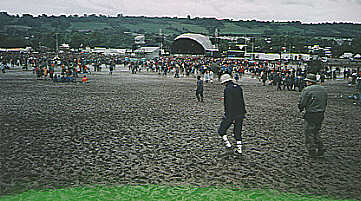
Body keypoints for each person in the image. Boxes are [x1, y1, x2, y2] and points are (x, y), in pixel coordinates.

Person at [298, 74, 328, 157]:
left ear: (309, 82)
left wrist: (301, 108)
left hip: (311, 113)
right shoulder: (323, 89)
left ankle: (312, 149)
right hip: (321, 113)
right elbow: (325, 101)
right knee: (316, 131)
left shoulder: (307, 90)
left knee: (309, 132)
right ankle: (320, 147)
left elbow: (302, 102)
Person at [218, 74, 247, 154]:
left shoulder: (227, 89)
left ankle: (228, 144)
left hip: (231, 114)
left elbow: (229, 104)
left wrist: (228, 115)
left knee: (221, 130)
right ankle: (239, 149)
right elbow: (240, 101)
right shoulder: (238, 87)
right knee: (238, 132)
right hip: (240, 113)